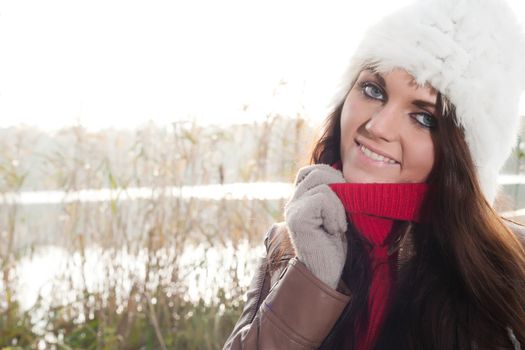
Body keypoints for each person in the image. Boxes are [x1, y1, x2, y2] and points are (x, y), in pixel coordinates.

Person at [224, 0, 525, 348]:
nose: (377, 126)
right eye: (373, 90)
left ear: (462, 155)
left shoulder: (506, 265)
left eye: (424, 117)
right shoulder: (287, 243)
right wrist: (313, 276)